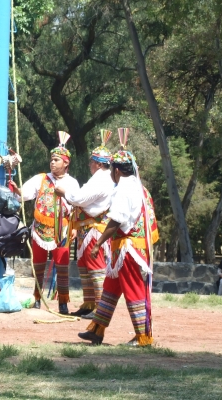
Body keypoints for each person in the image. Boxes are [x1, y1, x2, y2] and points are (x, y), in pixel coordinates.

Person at [79, 128, 159, 347]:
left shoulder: (124, 189)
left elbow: (116, 220)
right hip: (130, 249)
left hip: (128, 249)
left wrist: (99, 243)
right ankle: (97, 330)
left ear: (116, 169)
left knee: (133, 290)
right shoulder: (140, 188)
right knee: (110, 289)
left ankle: (143, 337)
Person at [11, 131, 80, 314]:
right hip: (40, 229)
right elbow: (25, 193)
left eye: (57, 160)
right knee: (39, 265)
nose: (52, 162)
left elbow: (77, 206)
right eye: (51, 159)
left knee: (62, 265)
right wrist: (17, 191)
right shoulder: (41, 178)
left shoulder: (72, 183)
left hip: (62, 229)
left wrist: (75, 227)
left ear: (66, 163)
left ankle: (63, 302)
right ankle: (37, 298)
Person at [55, 130, 115, 319]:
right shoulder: (101, 178)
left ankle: (100, 306)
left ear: (98, 164)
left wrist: (65, 192)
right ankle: (89, 303)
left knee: (95, 266)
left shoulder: (102, 179)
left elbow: (80, 198)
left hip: (95, 229)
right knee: (84, 265)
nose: (89, 165)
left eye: (91, 162)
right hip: (86, 228)